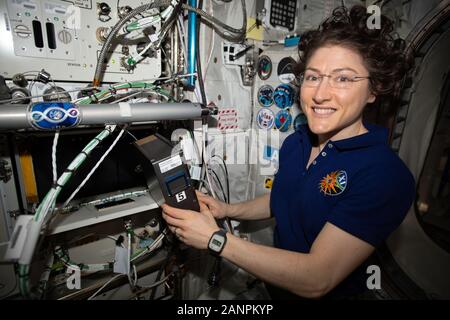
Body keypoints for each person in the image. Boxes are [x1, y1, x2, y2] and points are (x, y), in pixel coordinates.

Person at [161, 5, 415, 299]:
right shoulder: (299, 142)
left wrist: (216, 240)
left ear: (374, 90)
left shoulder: (385, 175)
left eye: (343, 78)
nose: (320, 93)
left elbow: (317, 278)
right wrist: (227, 210)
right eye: (313, 76)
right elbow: (285, 195)